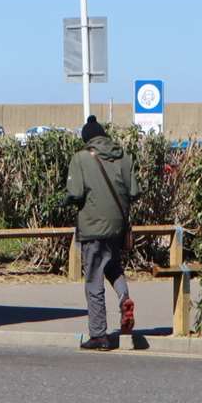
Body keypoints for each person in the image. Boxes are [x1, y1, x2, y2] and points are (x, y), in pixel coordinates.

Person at [66, 116, 137, 350]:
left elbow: (75, 194)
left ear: (87, 139)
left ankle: (99, 335)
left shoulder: (81, 158)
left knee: (94, 279)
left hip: (93, 227)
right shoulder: (123, 157)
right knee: (113, 266)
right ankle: (124, 298)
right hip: (117, 226)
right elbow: (135, 192)